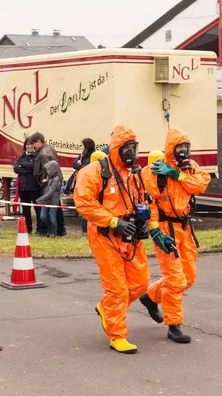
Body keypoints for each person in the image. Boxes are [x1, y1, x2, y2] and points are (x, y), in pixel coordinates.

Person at [73, 124, 150, 355]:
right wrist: (114, 222)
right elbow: (84, 203)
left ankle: (105, 308)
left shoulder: (134, 173)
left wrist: (144, 220)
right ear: (116, 148)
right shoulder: (94, 172)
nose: (132, 154)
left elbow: (143, 199)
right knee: (116, 288)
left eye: (134, 148)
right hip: (105, 235)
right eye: (127, 149)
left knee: (139, 283)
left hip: (130, 234)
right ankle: (117, 335)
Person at [139, 130, 211, 344]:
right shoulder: (153, 172)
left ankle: (151, 296)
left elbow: (201, 185)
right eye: (179, 147)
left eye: (186, 147)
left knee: (188, 276)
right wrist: (155, 230)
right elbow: (148, 203)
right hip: (164, 227)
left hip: (185, 228)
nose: (183, 151)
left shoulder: (189, 168)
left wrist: (177, 174)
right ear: (170, 148)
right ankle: (174, 325)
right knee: (175, 279)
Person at [30, 132, 65, 236]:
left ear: (39, 142)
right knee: (57, 206)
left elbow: (47, 169)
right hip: (55, 181)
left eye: (34, 144)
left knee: (50, 209)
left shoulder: (44, 153)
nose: (33, 147)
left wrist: (43, 180)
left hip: (48, 183)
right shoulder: (51, 149)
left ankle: (50, 230)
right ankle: (60, 229)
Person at [13, 138, 42, 234]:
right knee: (25, 209)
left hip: (34, 187)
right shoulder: (21, 156)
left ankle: (40, 228)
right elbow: (16, 168)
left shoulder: (37, 156)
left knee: (37, 208)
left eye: (31, 144)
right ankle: (28, 228)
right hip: (23, 187)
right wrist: (26, 170)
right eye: (27, 145)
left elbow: (34, 166)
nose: (29, 146)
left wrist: (23, 166)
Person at [69, 138, 95, 235]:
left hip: (88, 184)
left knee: (86, 209)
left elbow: (89, 169)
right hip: (79, 183)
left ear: (86, 146)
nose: (81, 147)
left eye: (82, 145)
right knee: (80, 208)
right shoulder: (81, 155)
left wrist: (81, 166)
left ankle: (87, 230)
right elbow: (74, 164)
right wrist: (80, 165)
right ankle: (85, 230)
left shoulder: (93, 156)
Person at [36, 161, 62, 238]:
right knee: (43, 216)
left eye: (49, 169)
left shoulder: (56, 180)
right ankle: (49, 230)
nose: (47, 171)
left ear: (53, 169)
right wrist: (44, 182)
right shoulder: (49, 177)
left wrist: (39, 200)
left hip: (53, 201)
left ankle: (53, 232)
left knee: (52, 217)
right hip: (45, 201)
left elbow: (50, 193)